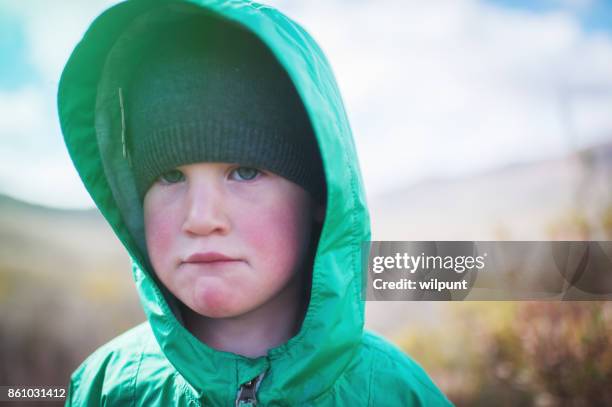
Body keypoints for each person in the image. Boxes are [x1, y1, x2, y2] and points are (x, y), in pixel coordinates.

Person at [58, 0, 454, 405]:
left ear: (320, 194)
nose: (200, 218)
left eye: (245, 172)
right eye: (171, 176)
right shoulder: (105, 387)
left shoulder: (398, 394)